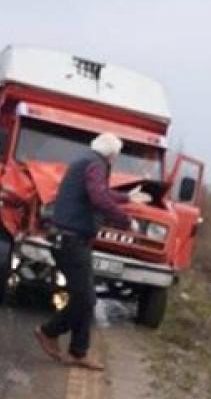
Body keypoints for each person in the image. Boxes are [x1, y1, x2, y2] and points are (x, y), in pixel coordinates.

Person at [34, 132, 151, 371]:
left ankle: (79, 352)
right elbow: (98, 197)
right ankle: (49, 332)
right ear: (112, 154)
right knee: (86, 298)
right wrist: (126, 221)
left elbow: (100, 194)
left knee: (83, 298)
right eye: (117, 156)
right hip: (71, 240)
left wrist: (127, 197)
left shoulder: (86, 161)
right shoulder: (96, 165)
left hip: (70, 239)